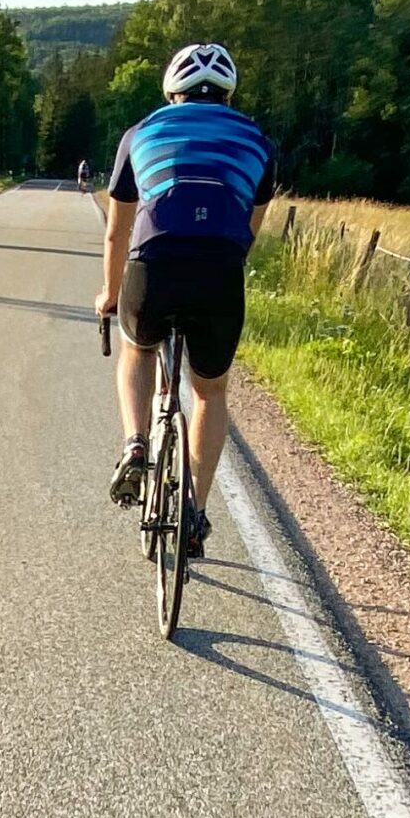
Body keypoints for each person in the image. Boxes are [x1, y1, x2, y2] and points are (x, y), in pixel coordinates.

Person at [92, 42, 274, 553]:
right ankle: (194, 511)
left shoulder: (141, 133)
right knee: (211, 391)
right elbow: (247, 233)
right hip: (218, 273)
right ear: (228, 94)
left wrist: (110, 294)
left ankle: (134, 443)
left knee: (139, 347)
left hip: (154, 265)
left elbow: (116, 231)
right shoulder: (259, 140)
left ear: (172, 92)